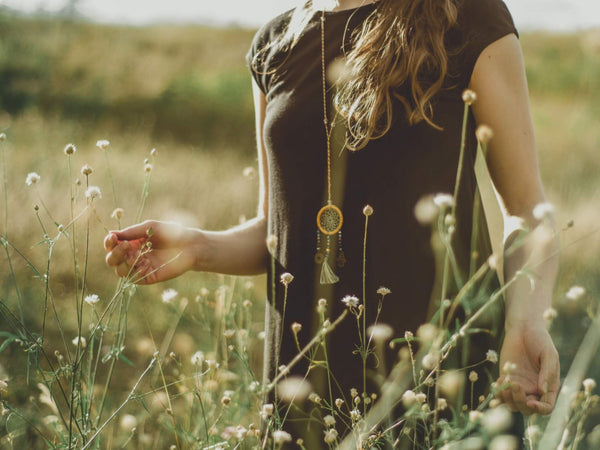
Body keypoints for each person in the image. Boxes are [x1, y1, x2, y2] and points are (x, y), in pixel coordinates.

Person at [104, 0, 560, 445]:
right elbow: (278, 230)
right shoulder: (274, 44)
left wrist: (526, 322)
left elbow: (526, 208)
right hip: (305, 385)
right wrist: (198, 247)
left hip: (441, 379)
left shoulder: (467, 17)